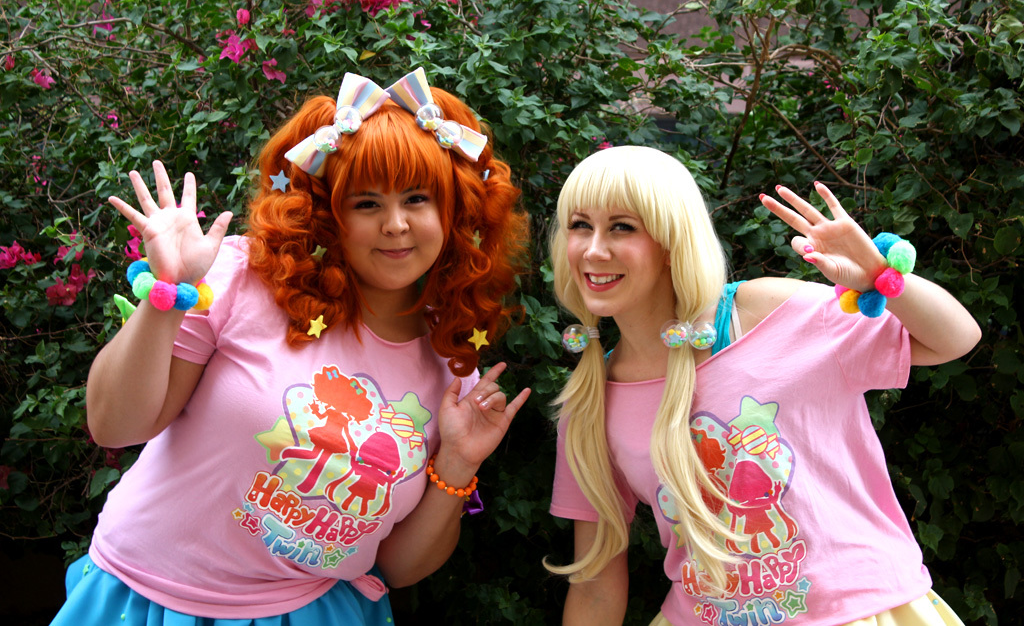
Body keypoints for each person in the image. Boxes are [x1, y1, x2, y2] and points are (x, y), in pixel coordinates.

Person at [52, 68, 531, 626]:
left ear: (453, 212)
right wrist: (170, 294)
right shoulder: (242, 279)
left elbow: (399, 568)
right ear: (330, 212)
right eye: (367, 203)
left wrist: (458, 462)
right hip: (146, 600)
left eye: (417, 199)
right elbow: (114, 426)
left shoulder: (452, 368)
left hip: (308, 612)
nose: (396, 224)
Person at [545, 146, 981, 626]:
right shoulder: (590, 404)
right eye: (580, 225)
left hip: (863, 611)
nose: (594, 249)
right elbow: (595, 590)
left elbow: (954, 339)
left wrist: (880, 275)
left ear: (671, 242)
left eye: (621, 227)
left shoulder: (766, 314)